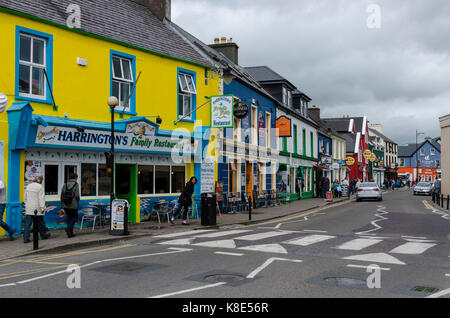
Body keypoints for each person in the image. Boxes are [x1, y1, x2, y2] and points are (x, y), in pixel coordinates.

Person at [24, 175, 50, 243]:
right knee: (40, 222)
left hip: (29, 207)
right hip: (37, 208)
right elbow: (41, 198)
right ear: (40, 180)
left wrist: (27, 204)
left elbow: (25, 197)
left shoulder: (29, 186)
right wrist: (42, 208)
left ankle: (26, 238)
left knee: (27, 224)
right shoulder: (40, 187)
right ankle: (43, 235)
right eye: (42, 180)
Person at [60, 173, 80, 238]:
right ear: (75, 178)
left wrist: (62, 204)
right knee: (74, 218)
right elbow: (77, 195)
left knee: (69, 218)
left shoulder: (65, 184)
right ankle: (69, 229)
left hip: (65, 205)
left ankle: (70, 233)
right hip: (73, 205)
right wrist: (78, 200)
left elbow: (62, 195)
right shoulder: (76, 185)